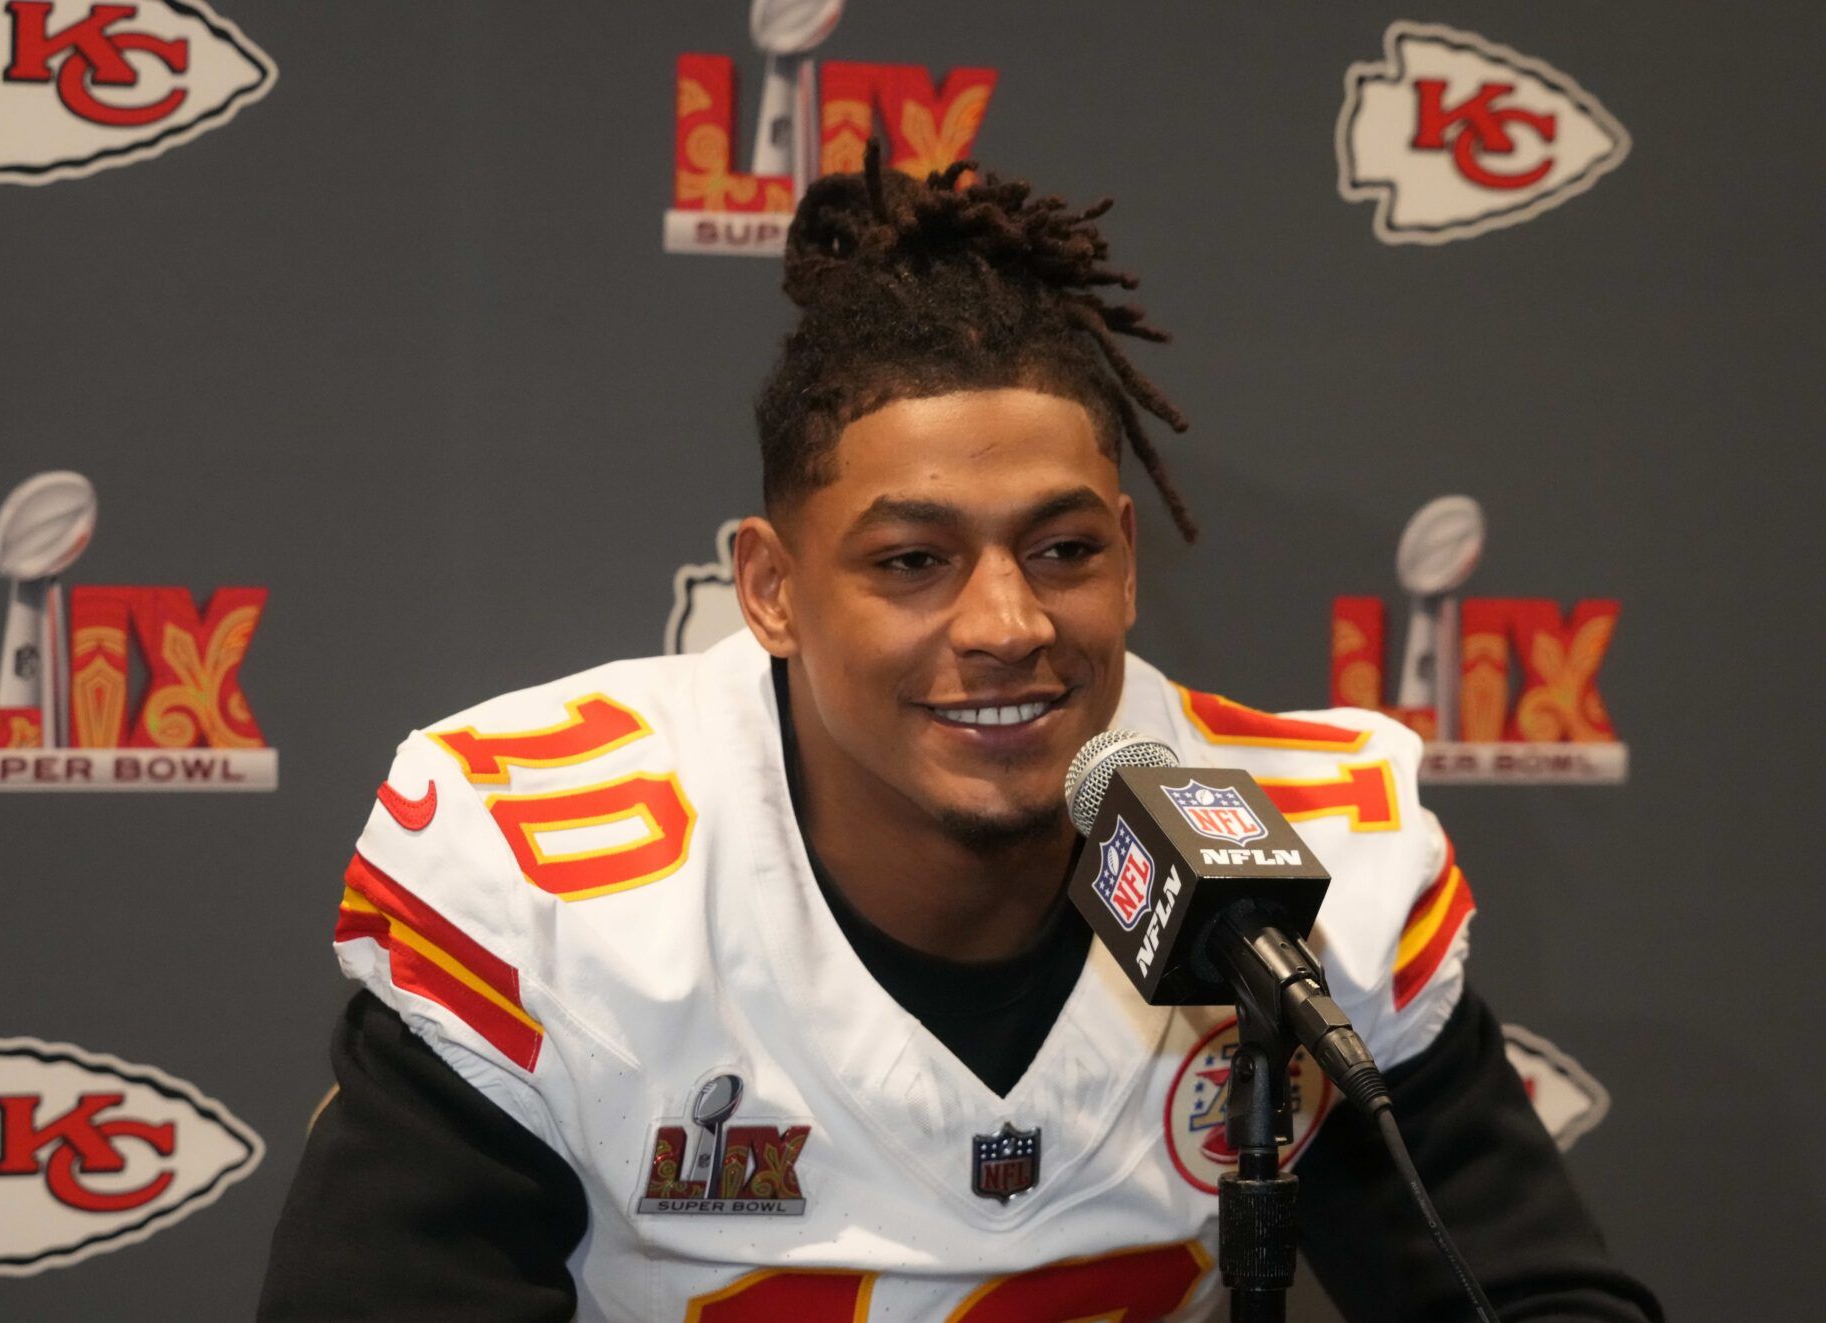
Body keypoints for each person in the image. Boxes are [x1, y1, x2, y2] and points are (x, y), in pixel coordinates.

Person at [260, 148, 1661, 1322]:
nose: (1006, 624)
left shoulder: (1309, 853)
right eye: (912, 561)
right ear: (771, 588)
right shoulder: (551, 876)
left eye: (1057, 550)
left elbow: (1542, 1302)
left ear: (1125, 557)